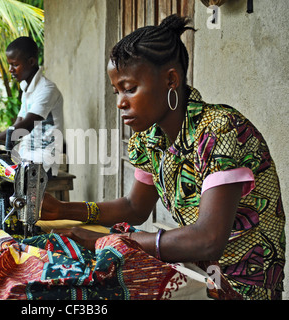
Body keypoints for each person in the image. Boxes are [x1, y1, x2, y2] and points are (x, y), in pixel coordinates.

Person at [40, 15, 285, 300]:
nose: (120, 102)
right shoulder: (150, 138)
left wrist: (117, 241)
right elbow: (134, 207)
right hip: (196, 276)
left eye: (130, 89)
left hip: (243, 288)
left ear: (171, 79)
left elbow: (208, 240)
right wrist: (63, 211)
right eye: (116, 90)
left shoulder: (220, 130)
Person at [0, 36, 64, 209]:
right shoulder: (27, 89)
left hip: (43, 161)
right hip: (27, 155)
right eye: (9, 64)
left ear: (31, 62)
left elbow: (25, 127)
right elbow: (18, 123)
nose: (10, 69)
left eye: (14, 64)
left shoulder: (47, 89)